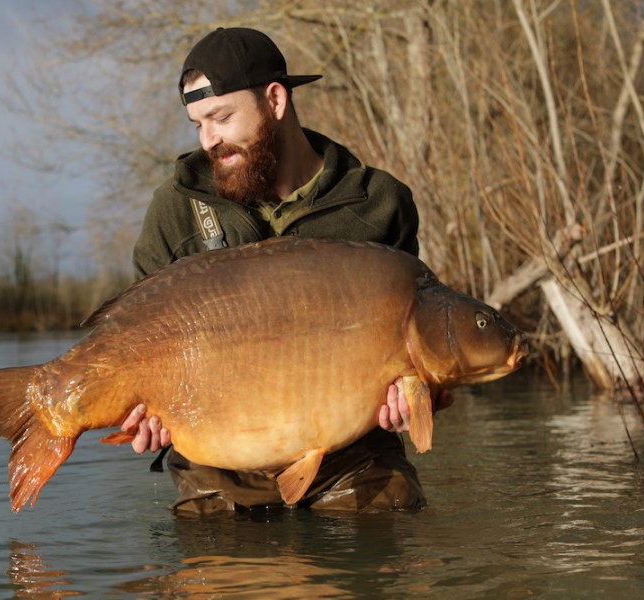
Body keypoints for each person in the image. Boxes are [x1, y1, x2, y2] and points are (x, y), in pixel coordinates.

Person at [123, 27, 433, 514]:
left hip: (351, 456)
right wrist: (146, 414)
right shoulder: (175, 210)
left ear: (275, 100)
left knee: (389, 532)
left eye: (221, 117)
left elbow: (421, 344)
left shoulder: (377, 203)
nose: (209, 140)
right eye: (197, 124)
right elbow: (137, 344)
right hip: (219, 461)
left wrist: (411, 397)